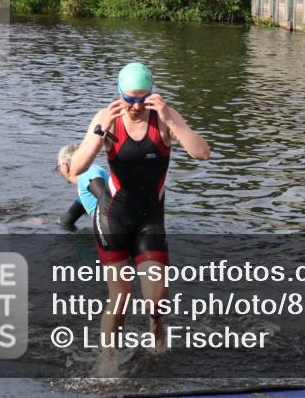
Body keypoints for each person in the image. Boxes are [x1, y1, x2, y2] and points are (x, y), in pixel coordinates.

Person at [71, 63, 209, 359]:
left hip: (150, 220)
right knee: (120, 297)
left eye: (141, 99)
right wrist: (100, 132)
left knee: (157, 300)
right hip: (113, 219)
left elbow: (202, 153)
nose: (134, 107)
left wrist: (172, 120)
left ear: (152, 95)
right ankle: (108, 364)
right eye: (129, 99)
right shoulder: (107, 119)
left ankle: (155, 327)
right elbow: (77, 167)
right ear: (119, 95)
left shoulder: (164, 120)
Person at [55, 143, 107, 228]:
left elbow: (108, 200)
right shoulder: (86, 184)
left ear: (65, 166)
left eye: (58, 167)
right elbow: (66, 220)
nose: (59, 171)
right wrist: (43, 222)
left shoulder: (86, 174)